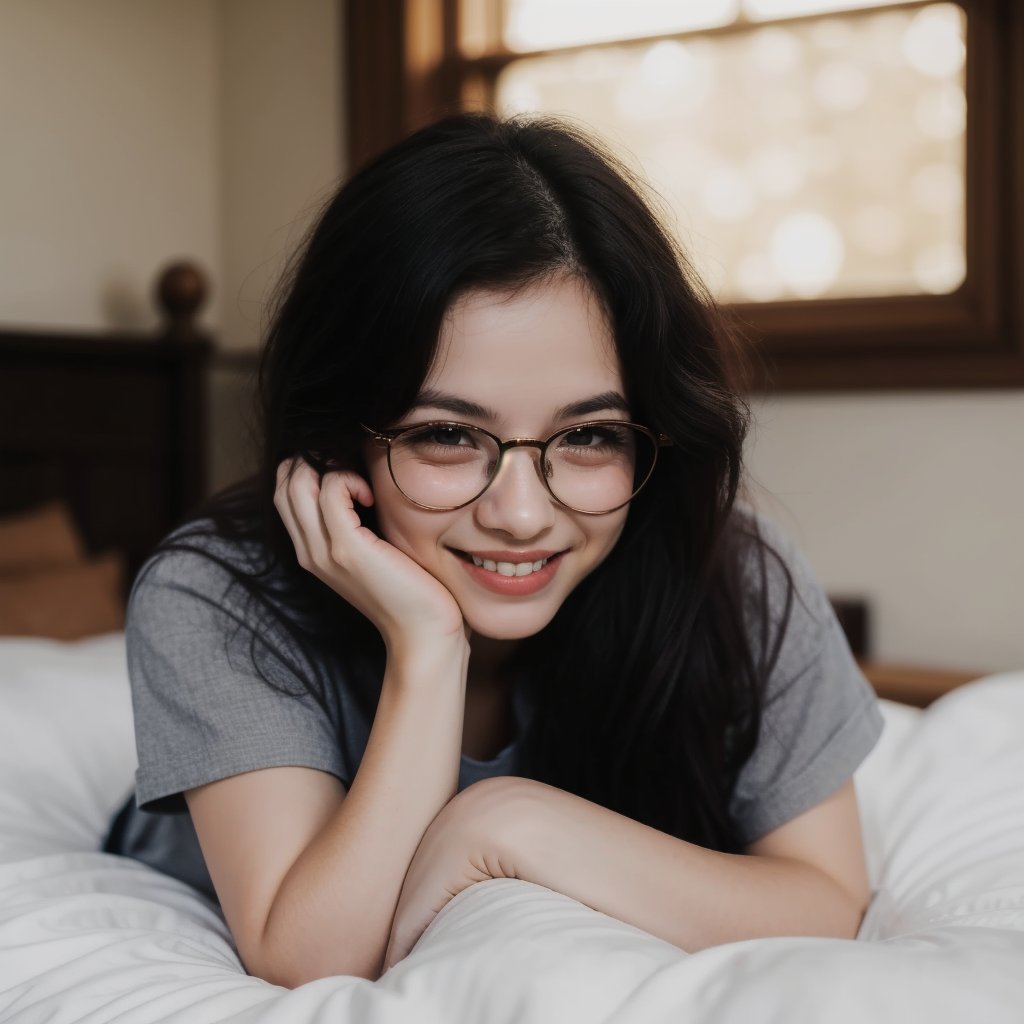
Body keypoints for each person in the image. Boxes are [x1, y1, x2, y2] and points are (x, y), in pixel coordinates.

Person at [103, 111, 884, 987]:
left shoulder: (734, 574)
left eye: (589, 435)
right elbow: (312, 960)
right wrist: (429, 650)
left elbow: (827, 902)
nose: (520, 515)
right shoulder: (215, 591)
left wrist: (509, 825)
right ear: (341, 437)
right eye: (447, 434)